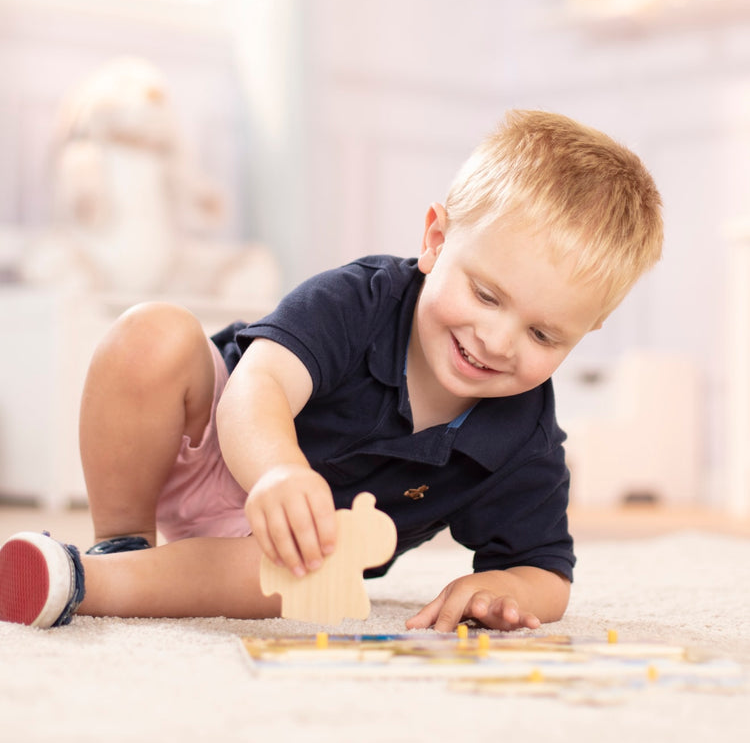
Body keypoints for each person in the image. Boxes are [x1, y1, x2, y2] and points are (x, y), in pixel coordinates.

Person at [0, 110, 663, 632]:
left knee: (303, 585)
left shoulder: (523, 436)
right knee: (149, 333)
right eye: (487, 295)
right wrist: (279, 469)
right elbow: (256, 388)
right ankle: (122, 542)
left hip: (290, 550)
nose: (496, 339)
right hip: (208, 441)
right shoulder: (362, 298)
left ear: (584, 335)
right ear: (435, 239)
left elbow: (546, 572)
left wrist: (503, 591)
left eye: (543, 333)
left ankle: (87, 585)